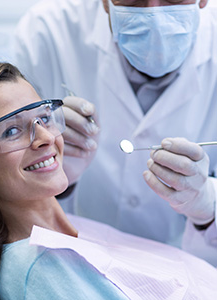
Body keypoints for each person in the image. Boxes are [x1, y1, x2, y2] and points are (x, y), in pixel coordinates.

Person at [0, 58, 217, 300]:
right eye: (11, 130)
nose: (45, 138)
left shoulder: (71, 231)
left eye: (43, 117)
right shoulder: (41, 270)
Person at [13, 0, 217, 265]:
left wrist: (207, 205)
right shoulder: (47, 33)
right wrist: (56, 179)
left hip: (193, 267)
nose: (153, 12)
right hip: (75, 261)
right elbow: (1, 184)